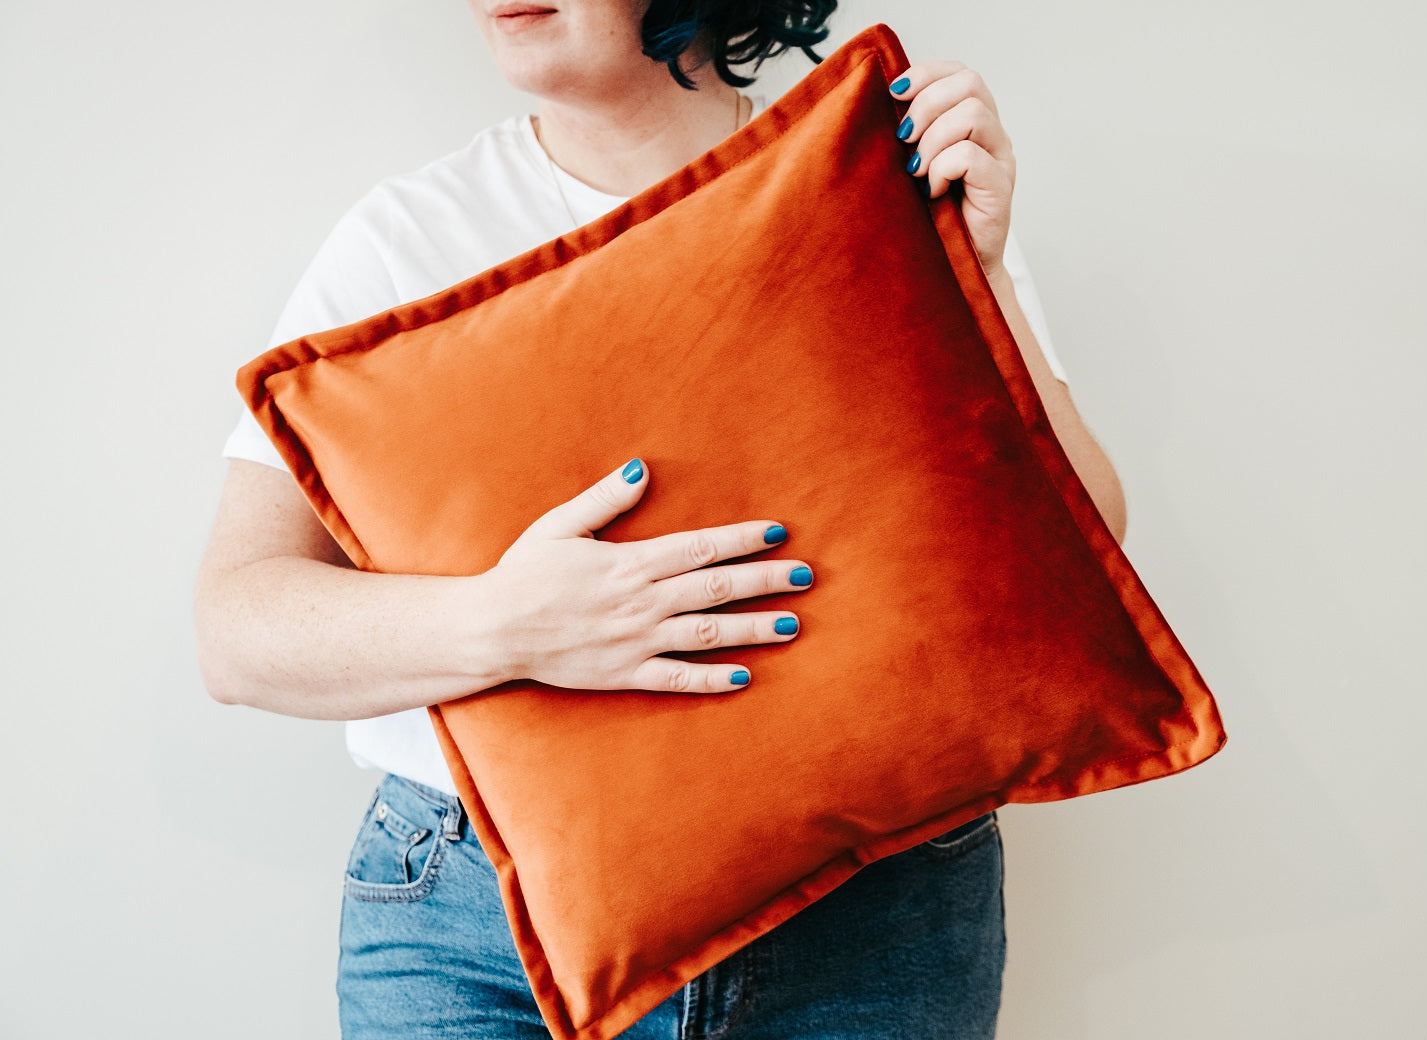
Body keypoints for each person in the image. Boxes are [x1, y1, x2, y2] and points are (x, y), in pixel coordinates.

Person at [194, 1, 1127, 1036]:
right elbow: (238, 629)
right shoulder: (407, 239)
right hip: (475, 933)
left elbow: (1085, 538)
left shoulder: (874, 182)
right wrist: (510, 625)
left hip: (879, 915)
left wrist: (979, 268)